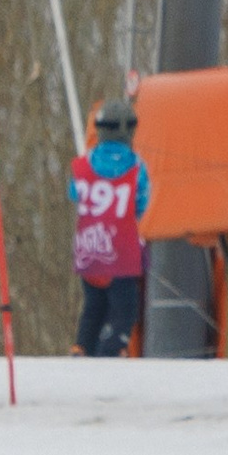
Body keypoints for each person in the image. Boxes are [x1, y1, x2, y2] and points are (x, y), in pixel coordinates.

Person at [70, 98, 153, 358]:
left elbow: (74, 193)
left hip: (89, 245)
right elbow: (142, 201)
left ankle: (82, 346)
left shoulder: (83, 163)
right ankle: (112, 348)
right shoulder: (136, 166)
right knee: (125, 307)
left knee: (93, 304)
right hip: (121, 248)